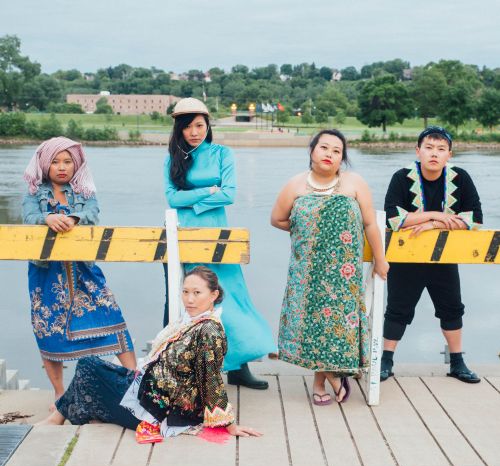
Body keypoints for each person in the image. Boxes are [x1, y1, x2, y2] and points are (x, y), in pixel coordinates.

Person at [39, 267, 262, 438]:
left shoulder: (209, 330)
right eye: (185, 292)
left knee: (89, 367)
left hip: (161, 409)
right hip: (151, 389)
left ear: (213, 295)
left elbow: (210, 378)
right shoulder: (192, 320)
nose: (189, 299)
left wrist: (229, 425)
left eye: (197, 293)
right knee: (94, 369)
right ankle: (62, 415)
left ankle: (57, 418)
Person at [163, 97, 276, 390]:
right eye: (187, 127)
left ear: (208, 125)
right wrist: (208, 191)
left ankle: (238, 366)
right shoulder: (173, 158)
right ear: (178, 129)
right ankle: (181, 369)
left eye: (199, 125)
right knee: (190, 299)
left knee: (231, 297)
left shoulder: (222, 154)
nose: (194, 132)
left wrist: (194, 200)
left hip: (217, 234)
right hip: (184, 234)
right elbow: (172, 198)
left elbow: (229, 194)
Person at [271, 129, 389, 404]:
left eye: (337, 151)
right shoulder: (295, 184)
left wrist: (380, 259)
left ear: (342, 158)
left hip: (343, 271)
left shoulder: (354, 183)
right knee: (312, 325)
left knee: (335, 326)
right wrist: (308, 230)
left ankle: (325, 380)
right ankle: (330, 379)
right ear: (312, 150)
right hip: (307, 270)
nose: (329, 154)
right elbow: (277, 219)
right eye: (324, 147)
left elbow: (370, 223)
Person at [22, 136, 136, 403]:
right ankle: (60, 395)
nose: (62, 167)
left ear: (76, 164)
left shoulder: (84, 192)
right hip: (46, 273)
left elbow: (93, 212)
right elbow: (28, 217)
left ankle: (135, 384)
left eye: (67, 162)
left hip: (83, 269)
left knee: (110, 315)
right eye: (55, 162)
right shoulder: (34, 193)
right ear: (45, 164)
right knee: (47, 328)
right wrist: (47, 218)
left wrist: (74, 218)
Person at [381, 126, 482, 383]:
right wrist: (437, 215)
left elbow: (474, 219)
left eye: (440, 149)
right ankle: (385, 361)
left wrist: (433, 225)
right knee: (397, 310)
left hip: (443, 256)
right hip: (406, 257)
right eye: (428, 148)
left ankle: (456, 362)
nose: (434, 154)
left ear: (449, 154)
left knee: (452, 309)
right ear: (418, 151)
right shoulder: (402, 177)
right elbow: (393, 218)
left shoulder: (460, 178)